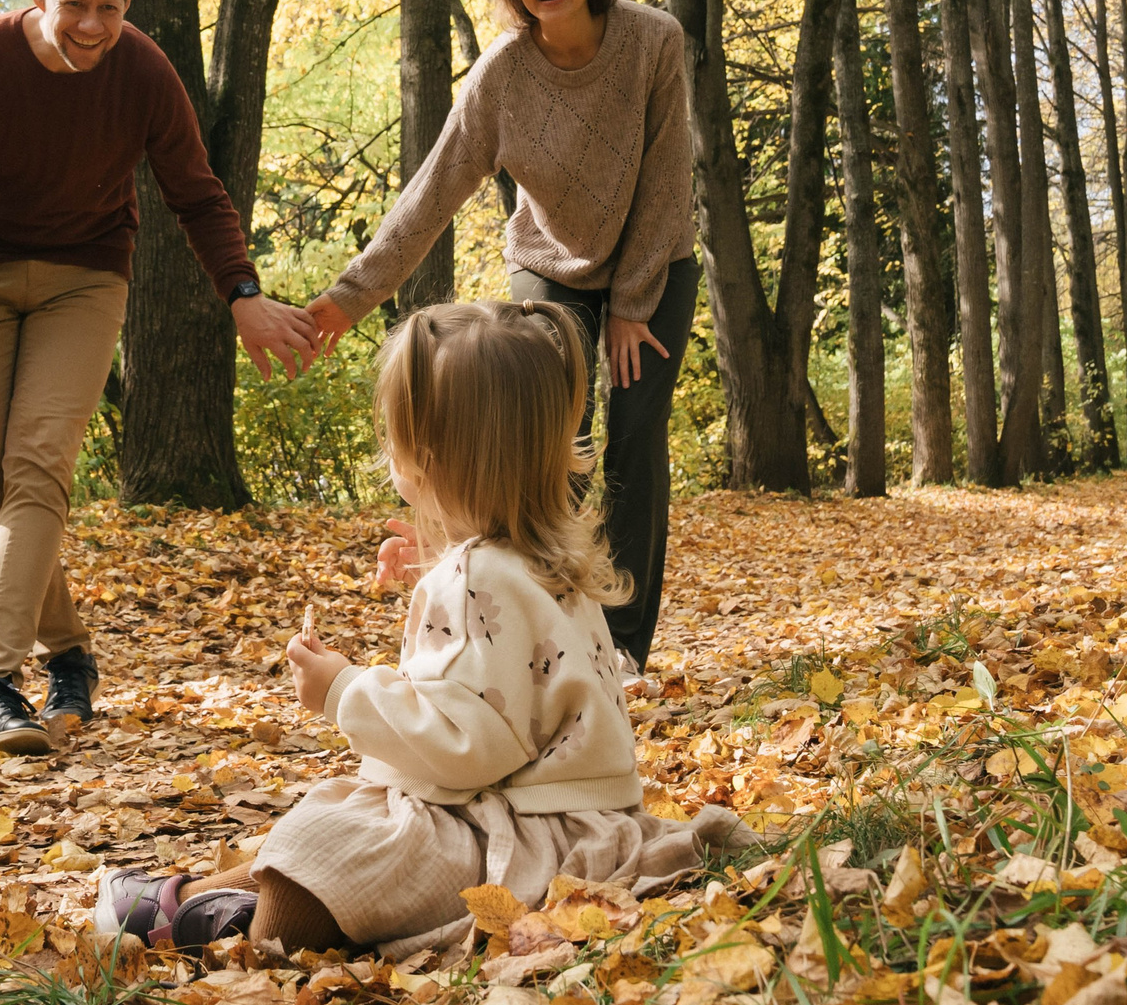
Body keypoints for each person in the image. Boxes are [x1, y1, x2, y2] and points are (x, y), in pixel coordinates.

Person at [93, 301, 752, 954]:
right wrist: (438, 561)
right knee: (341, 822)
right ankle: (193, 899)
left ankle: (232, 933)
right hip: (585, 825)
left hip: (520, 843)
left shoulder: (475, 576)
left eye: (396, 439)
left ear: (427, 458)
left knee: (332, 834)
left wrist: (342, 689)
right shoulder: (545, 561)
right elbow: (503, 675)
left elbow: (464, 744)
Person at [0, 0, 319, 757]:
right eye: (74, 4)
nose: (92, 25)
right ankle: (70, 655)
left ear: (129, 3)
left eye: (110, 8)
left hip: (85, 279)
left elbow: (196, 193)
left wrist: (241, 293)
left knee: (38, 463)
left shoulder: (144, 72)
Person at [306, 0, 697, 670]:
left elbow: (666, 179)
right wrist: (349, 298)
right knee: (551, 444)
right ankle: (546, 627)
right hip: (549, 264)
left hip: (654, 263)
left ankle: (623, 647)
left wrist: (631, 303)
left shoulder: (653, 40)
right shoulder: (503, 74)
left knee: (634, 438)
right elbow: (431, 193)